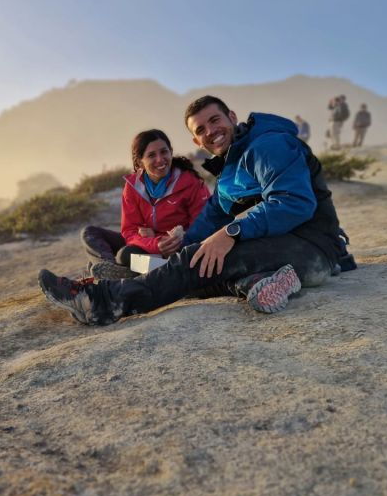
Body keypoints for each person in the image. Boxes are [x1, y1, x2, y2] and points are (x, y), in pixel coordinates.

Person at [39, 95, 352, 324]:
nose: (210, 131)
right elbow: (211, 218)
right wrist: (174, 255)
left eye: (214, 120)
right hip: (281, 251)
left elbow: (294, 203)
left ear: (231, 116)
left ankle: (102, 303)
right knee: (196, 262)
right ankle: (260, 280)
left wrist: (232, 232)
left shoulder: (267, 146)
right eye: (201, 129)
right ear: (195, 139)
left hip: (314, 249)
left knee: (200, 260)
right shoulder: (230, 171)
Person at [81, 129, 211, 279]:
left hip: (180, 248)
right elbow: (129, 231)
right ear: (139, 161)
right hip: (150, 247)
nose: (160, 159)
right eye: (151, 155)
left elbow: (203, 227)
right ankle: (110, 269)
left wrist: (167, 242)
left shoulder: (191, 182)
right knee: (90, 233)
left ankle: (142, 272)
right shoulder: (133, 187)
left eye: (164, 152)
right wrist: (154, 243)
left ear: (171, 152)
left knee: (125, 255)